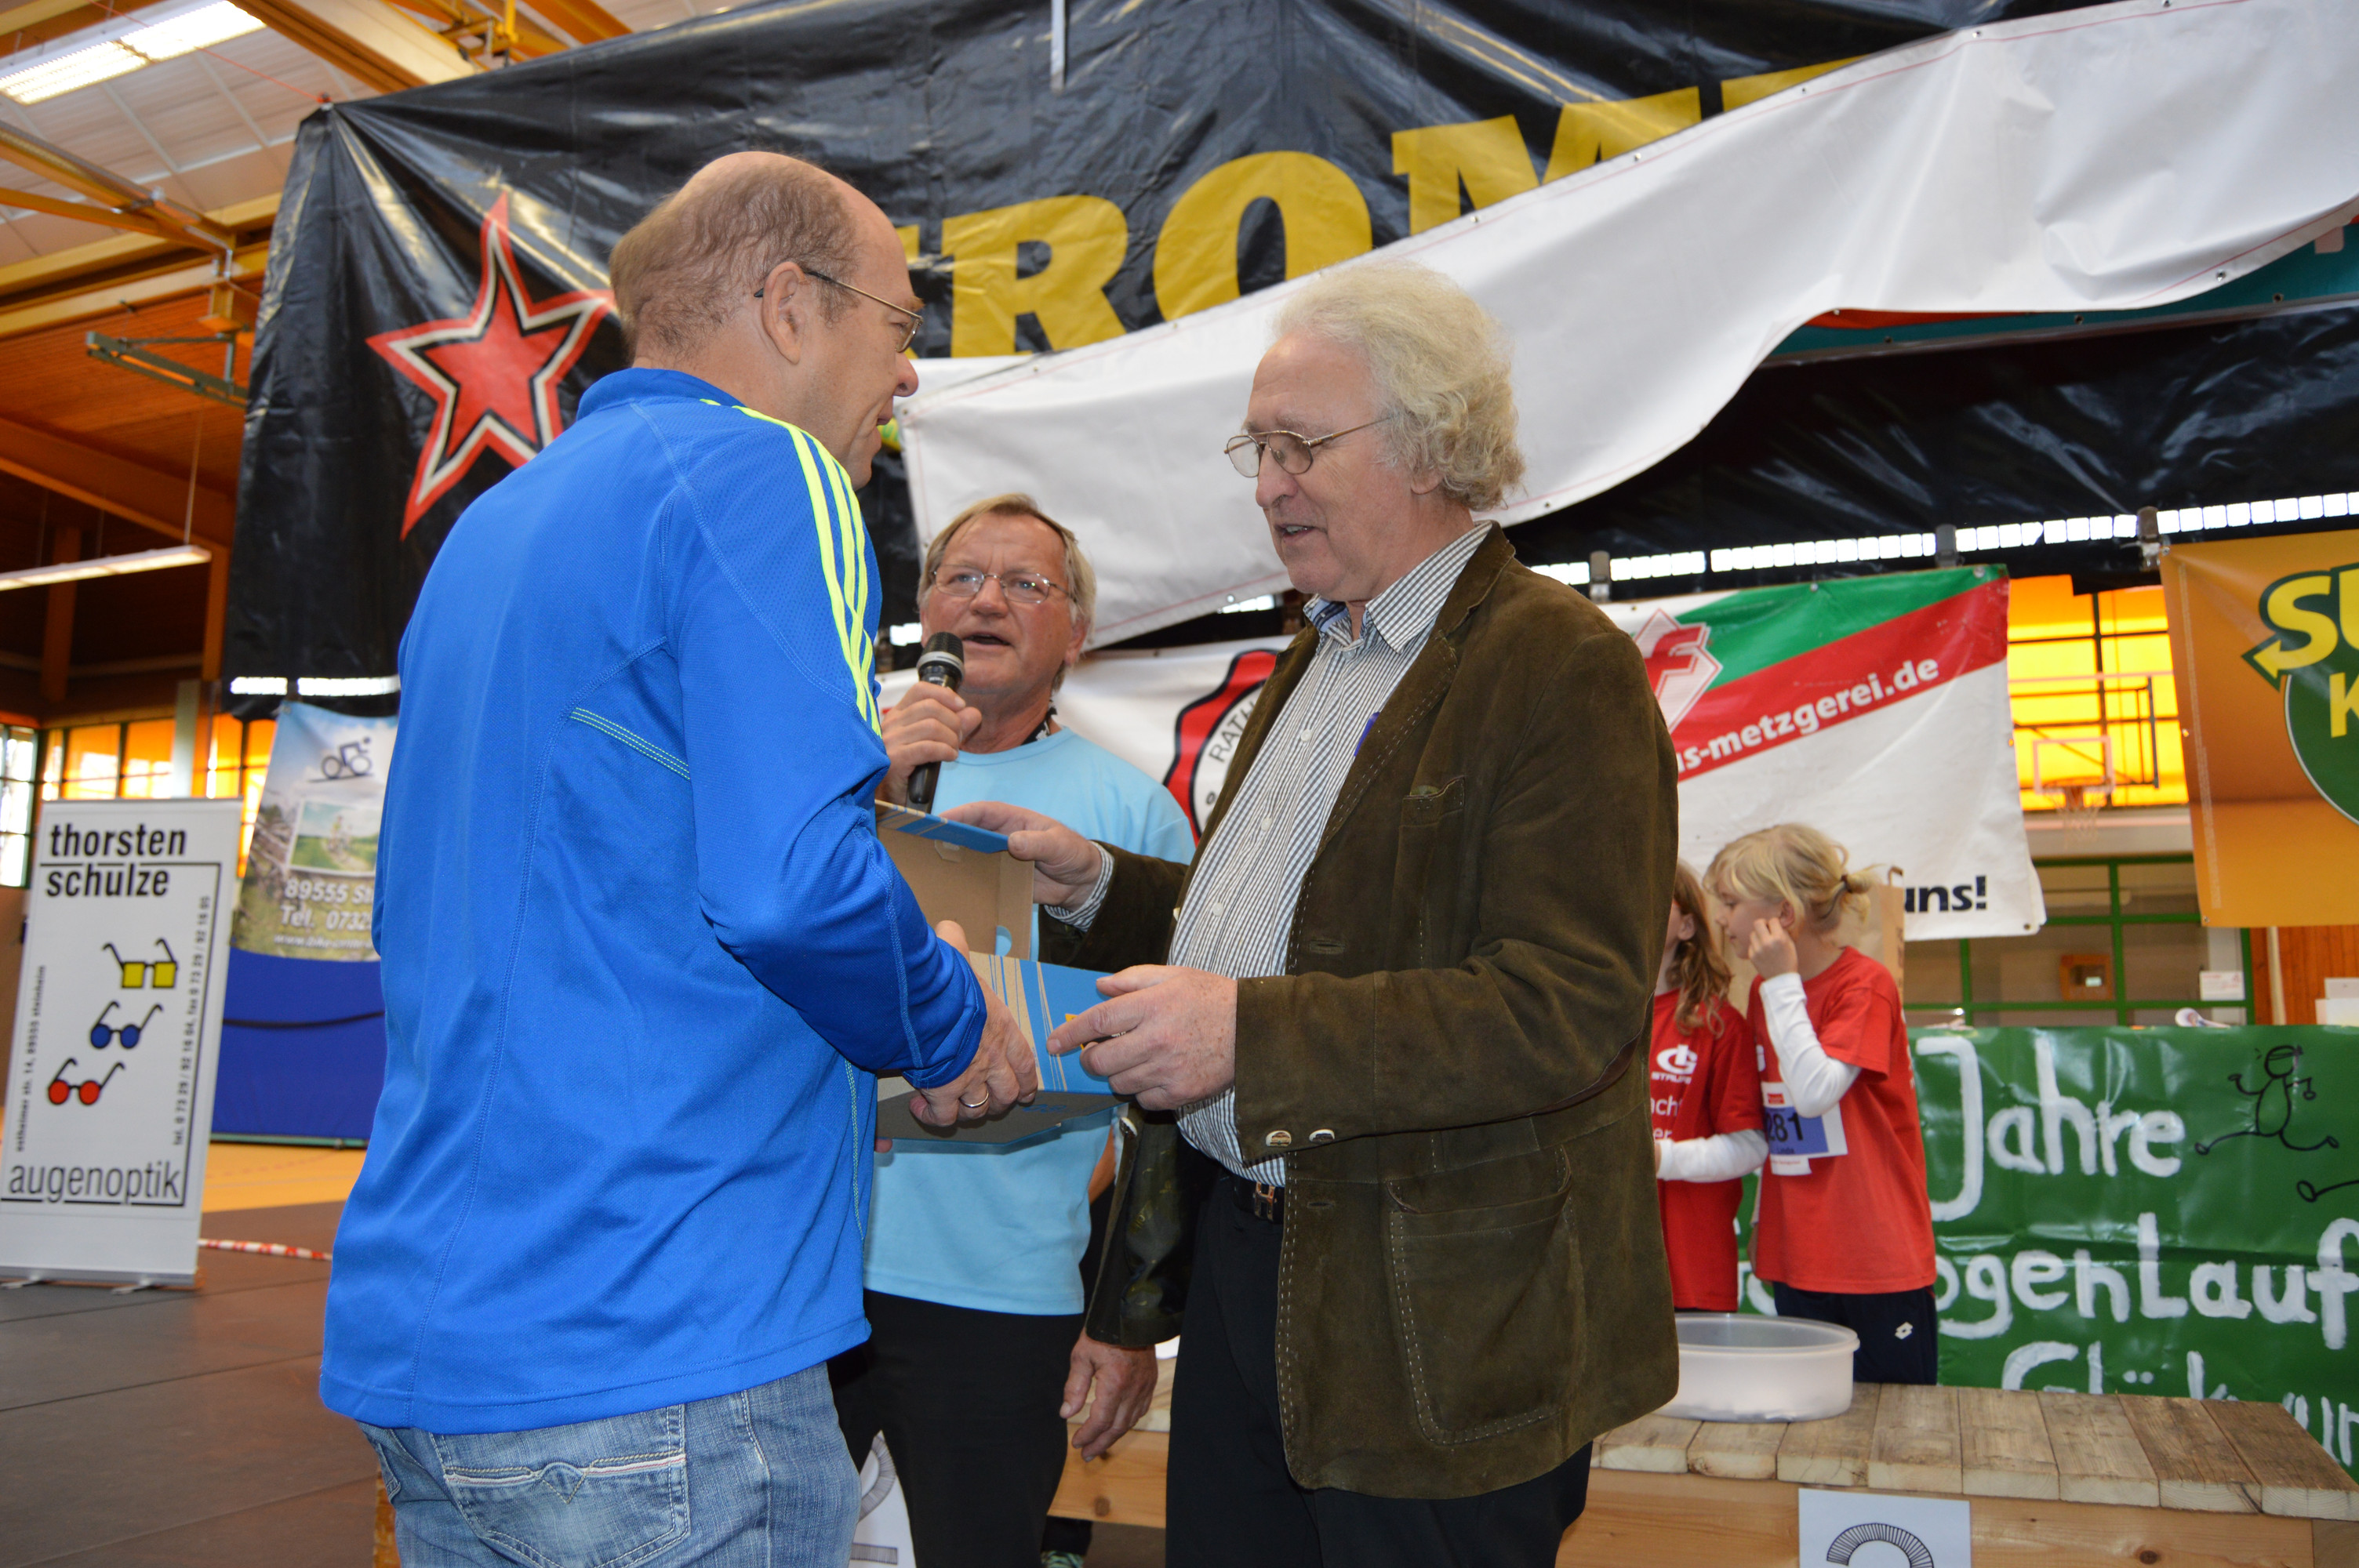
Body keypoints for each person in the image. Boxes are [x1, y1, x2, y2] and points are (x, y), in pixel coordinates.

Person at [323, 152, 1038, 1568]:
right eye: (899, 326)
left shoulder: (490, 529)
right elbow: (786, 883)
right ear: (789, 306)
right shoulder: (766, 471)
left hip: (433, 1347)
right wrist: (952, 1023)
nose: (907, 375)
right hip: (659, 1338)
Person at [955, 260, 1680, 1568]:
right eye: (1257, 449)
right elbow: (1280, 938)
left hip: (1436, 1330)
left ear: (1429, 443)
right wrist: (1099, 886)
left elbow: (1565, 1007)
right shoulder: (1321, 655)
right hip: (1258, 1284)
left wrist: (1251, 1037)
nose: (1267, 482)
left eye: (1299, 445)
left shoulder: (1556, 665)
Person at [835, 493, 1195, 1568]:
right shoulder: (830, 769)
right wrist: (866, 785)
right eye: (962, 577)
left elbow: (1168, 1100)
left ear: (1076, 633)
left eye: (1025, 584)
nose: (985, 601)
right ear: (923, 609)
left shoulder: (1130, 818)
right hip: (800, 1270)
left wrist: (1125, 1317)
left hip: (998, 1291)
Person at [1707, 822, 1937, 1384]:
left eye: (1732, 903)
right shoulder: (1766, 991)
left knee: (1893, 1425)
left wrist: (1782, 983)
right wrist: (1765, 1219)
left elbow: (1814, 1093)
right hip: (1800, 1256)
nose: (1722, 920)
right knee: (1812, 1422)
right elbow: (1780, 1111)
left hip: (1875, 1260)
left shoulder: (1864, 984)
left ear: (1783, 915)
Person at [1650, 860, 1765, 1312]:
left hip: (1690, 1270)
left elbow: (1750, 1147)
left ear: (1687, 926)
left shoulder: (1719, 1026)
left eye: (1655, 894)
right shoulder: (1594, 1022)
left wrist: (1659, 1158)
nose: (1637, 906)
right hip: (1606, 1271)